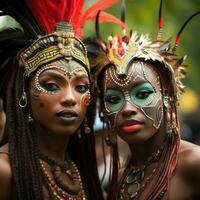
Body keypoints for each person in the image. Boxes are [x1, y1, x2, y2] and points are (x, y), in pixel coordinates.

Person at [0, 0, 123, 199]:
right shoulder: (5, 171)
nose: (69, 98)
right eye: (51, 85)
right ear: (24, 93)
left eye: (81, 87)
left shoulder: (83, 172)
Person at [89, 1, 200, 199]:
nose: (127, 109)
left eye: (142, 94)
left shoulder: (192, 162)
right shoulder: (122, 175)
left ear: (167, 97)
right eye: (113, 99)